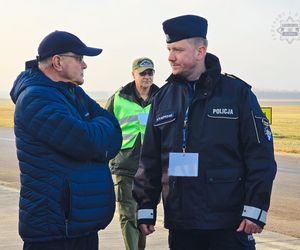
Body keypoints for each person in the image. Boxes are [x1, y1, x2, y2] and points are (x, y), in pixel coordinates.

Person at [132, 15, 277, 250]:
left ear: (200, 51)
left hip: (229, 223)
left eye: (177, 49)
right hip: (182, 224)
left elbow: (260, 156)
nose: (170, 57)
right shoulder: (163, 99)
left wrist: (255, 208)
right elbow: (149, 159)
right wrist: (146, 207)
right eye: (169, 49)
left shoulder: (237, 93)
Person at [10, 30, 122, 250]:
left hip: (80, 226)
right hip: (54, 232)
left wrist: (97, 132)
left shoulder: (72, 93)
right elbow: (87, 142)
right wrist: (98, 133)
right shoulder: (36, 98)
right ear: (57, 62)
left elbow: (115, 129)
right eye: (79, 58)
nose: (84, 65)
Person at [106, 57, 159, 250]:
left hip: (151, 168)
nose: (146, 76)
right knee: (128, 214)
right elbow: (105, 129)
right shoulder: (119, 97)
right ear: (133, 74)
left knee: (144, 215)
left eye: (150, 73)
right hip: (125, 165)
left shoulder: (161, 97)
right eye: (142, 73)